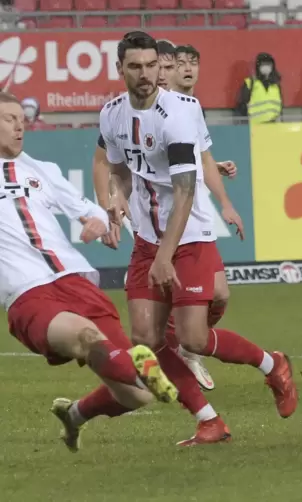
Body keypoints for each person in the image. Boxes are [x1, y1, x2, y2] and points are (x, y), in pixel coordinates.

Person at [99, 32, 298, 444]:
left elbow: (186, 191)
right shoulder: (112, 114)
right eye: (135, 66)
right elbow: (116, 169)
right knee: (145, 339)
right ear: (120, 70)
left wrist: (164, 256)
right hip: (148, 239)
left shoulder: (177, 114)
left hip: (187, 236)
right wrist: (114, 199)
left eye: (152, 65)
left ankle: (272, 363)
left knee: (192, 338)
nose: (146, 74)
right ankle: (209, 420)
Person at [0, 91, 178, 453]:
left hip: (76, 279)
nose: (19, 126)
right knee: (85, 336)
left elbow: (89, 211)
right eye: (8, 119)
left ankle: (77, 413)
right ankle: (139, 367)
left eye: (21, 118)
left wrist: (98, 223)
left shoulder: (41, 171)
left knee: (137, 396)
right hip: (27, 291)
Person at [92, 38, 243, 392]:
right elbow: (113, 164)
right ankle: (187, 352)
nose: (173, 71)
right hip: (157, 218)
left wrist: (225, 201)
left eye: (165, 65)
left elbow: (202, 157)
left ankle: (190, 343)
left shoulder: (188, 108)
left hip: (194, 213)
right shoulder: (123, 111)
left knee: (219, 296)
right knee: (153, 331)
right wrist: (110, 201)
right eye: (174, 64)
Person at [233, 52, 282, 124]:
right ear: (258, 66)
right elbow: (241, 108)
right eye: (263, 64)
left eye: (268, 64)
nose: (266, 67)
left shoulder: (276, 86)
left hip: (274, 129)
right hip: (255, 129)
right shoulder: (250, 83)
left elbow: (280, 110)